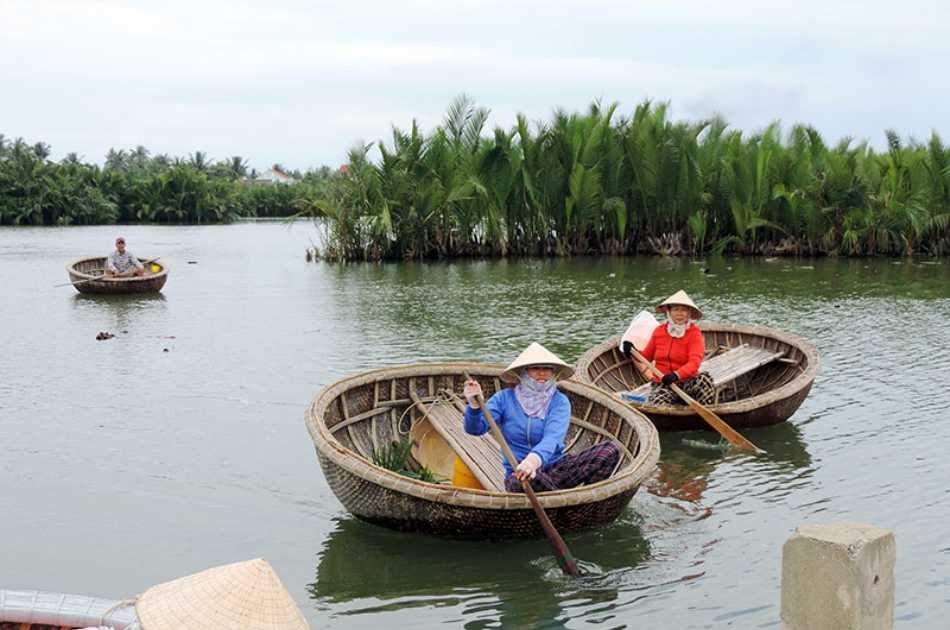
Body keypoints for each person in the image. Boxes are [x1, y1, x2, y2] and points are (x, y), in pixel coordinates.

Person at [462, 342, 620, 493]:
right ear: (523, 372)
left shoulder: (560, 402)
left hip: (555, 468)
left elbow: (553, 438)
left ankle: (578, 501)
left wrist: (533, 461)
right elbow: (475, 429)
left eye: (547, 368)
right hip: (519, 473)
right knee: (528, 479)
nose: (542, 373)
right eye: (535, 368)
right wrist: (474, 405)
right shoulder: (504, 399)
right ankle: (561, 501)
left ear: (554, 373)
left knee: (609, 451)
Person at [624, 290, 716, 406]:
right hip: (664, 383)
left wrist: (676, 375)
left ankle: (704, 412)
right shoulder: (659, 332)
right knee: (658, 403)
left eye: (683, 310)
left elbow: (695, 362)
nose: (680, 314)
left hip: (687, 382)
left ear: (689, 313)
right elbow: (645, 357)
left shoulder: (694, 333)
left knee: (705, 379)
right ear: (669, 311)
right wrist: (631, 351)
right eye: (676, 309)